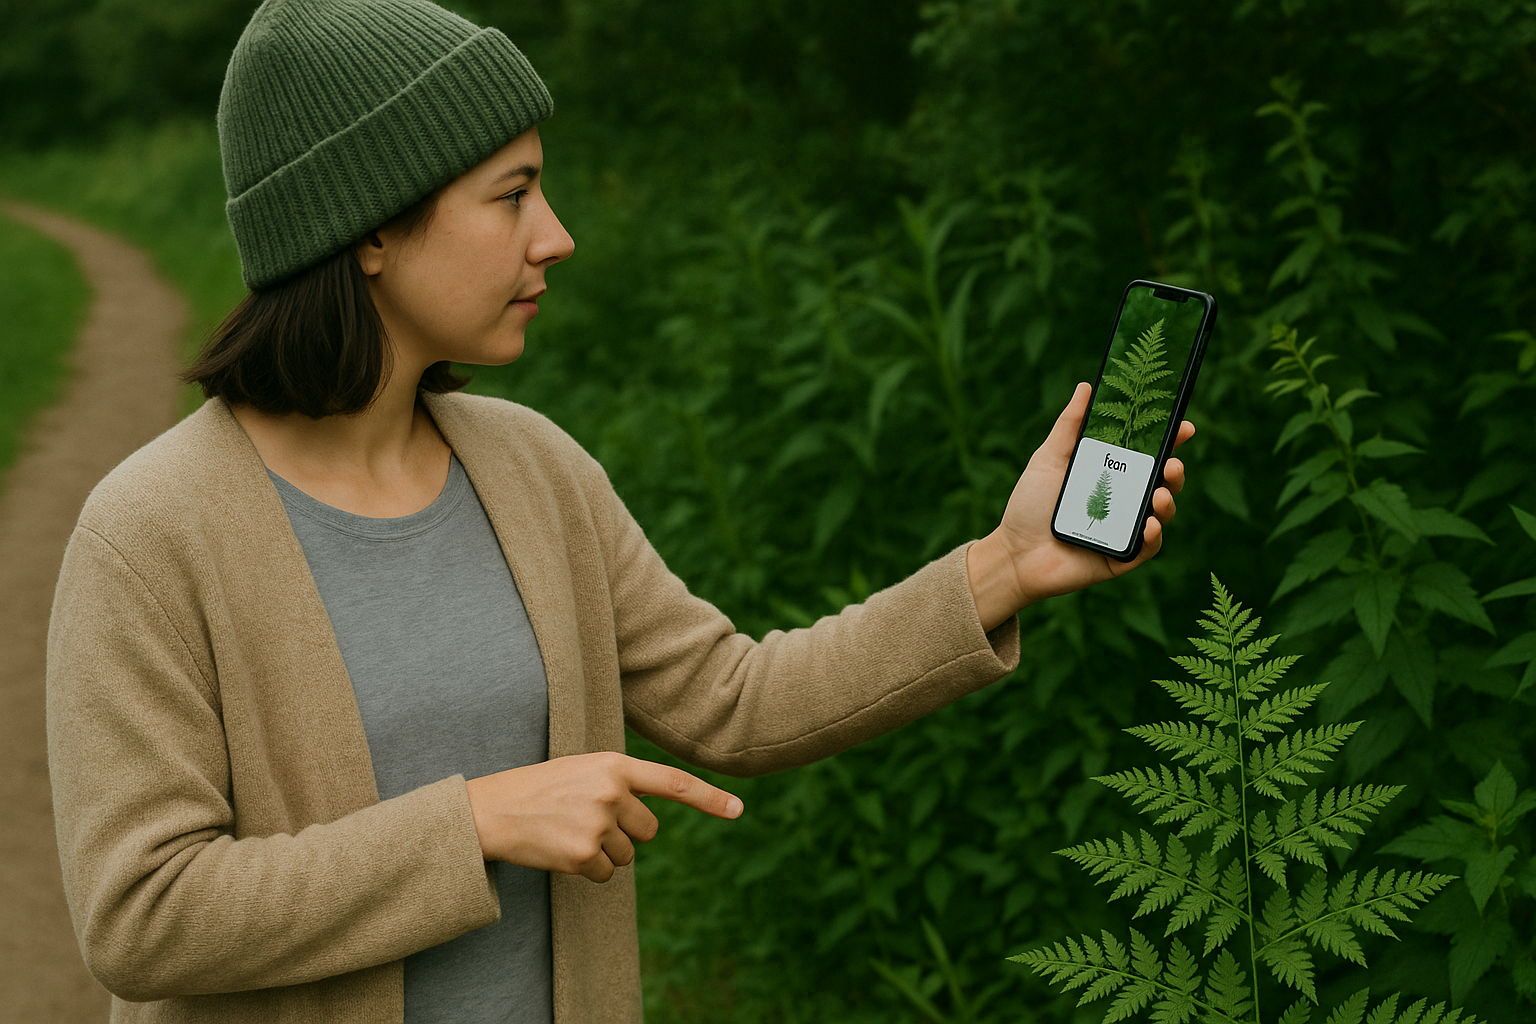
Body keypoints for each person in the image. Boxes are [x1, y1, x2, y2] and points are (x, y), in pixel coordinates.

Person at [44, 1, 1193, 1022]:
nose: (558, 236)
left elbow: (736, 698)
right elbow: (141, 915)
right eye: (514, 195)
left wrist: (1004, 564)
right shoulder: (150, 533)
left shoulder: (533, 468)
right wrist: (477, 823)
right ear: (373, 232)